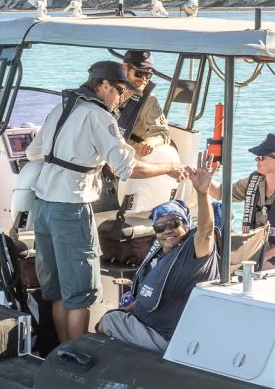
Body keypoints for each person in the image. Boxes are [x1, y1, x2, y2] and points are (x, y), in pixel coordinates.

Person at [24, 60, 187, 344]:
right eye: (119, 90)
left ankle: (63, 353)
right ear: (102, 85)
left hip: (44, 208)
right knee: (81, 295)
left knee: (61, 291)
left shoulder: (60, 108)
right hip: (71, 209)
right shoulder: (100, 116)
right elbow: (129, 168)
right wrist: (168, 169)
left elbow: (32, 152)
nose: (122, 97)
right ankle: (77, 356)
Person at [99, 150, 220, 352]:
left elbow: (206, 232)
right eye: (160, 227)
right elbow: (151, 297)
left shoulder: (194, 250)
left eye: (173, 223)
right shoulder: (162, 254)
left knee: (105, 323)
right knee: (114, 315)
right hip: (148, 325)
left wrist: (202, 192)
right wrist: (126, 310)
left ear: (186, 224)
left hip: (165, 337)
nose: (167, 231)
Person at [208, 131, 275, 268]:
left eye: (262, 157)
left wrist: (268, 255)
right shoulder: (253, 182)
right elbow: (220, 193)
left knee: (264, 266)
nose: (257, 160)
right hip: (256, 253)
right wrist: (205, 177)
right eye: (257, 157)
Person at [115, 49, 170, 157]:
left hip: (126, 159)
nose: (144, 79)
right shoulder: (107, 91)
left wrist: (150, 142)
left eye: (148, 75)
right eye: (139, 73)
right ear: (125, 67)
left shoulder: (149, 101)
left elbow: (163, 133)